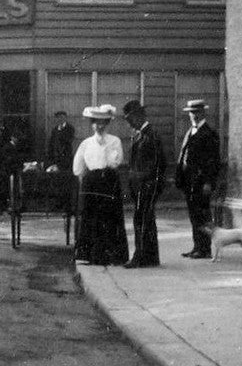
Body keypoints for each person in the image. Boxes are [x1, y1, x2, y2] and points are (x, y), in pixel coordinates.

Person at [72, 104, 129, 266]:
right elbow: (78, 167)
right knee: (90, 217)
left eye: (103, 122)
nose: (100, 126)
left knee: (109, 217)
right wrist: (85, 178)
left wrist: (105, 147)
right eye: (96, 122)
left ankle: (111, 255)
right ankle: (87, 254)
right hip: (91, 182)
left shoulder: (114, 141)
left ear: (108, 124)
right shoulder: (86, 143)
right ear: (92, 124)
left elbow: (115, 162)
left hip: (108, 180)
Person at [122, 100, 166, 268]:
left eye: (130, 118)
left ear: (138, 116)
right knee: (144, 219)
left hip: (148, 185)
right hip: (140, 185)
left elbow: (158, 163)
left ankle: (140, 257)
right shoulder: (140, 134)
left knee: (142, 220)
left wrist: (144, 180)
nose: (129, 122)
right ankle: (150, 257)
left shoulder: (151, 134)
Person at [175, 99, 220, 259]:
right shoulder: (190, 132)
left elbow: (214, 162)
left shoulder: (209, 133)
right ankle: (197, 246)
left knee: (203, 215)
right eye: (191, 113)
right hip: (189, 182)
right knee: (194, 215)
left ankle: (205, 248)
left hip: (201, 183)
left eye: (197, 112)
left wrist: (208, 182)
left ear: (203, 113)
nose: (194, 115)